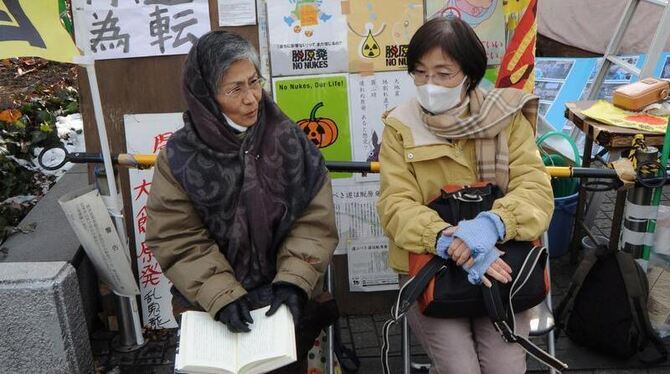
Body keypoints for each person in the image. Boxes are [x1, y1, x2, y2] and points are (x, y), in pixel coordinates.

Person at [145, 30, 339, 372]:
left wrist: (294, 279)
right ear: (205, 95)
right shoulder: (179, 158)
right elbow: (178, 237)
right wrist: (220, 294)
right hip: (209, 303)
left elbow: (313, 219)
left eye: (254, 82)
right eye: (235, 89)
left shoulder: (288, 139)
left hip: (279, 296)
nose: (251, 98)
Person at [376, 17, 554, 374]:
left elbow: (535, 189)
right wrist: (448, 239)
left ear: (469, 74)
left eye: (444, 74)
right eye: (421, 73)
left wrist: (492, 224)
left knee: (505, 367)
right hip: (432, 266)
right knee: (460, 369)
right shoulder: (400, 126)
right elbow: (395, 204)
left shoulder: (507, 117)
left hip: (502, 260)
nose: (430, 85)